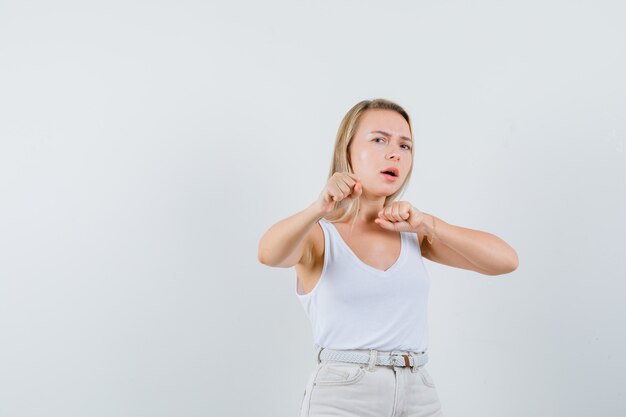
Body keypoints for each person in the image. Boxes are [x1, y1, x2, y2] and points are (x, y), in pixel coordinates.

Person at [258, 98, 519, 417]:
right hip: (344, 394)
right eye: (379, 140)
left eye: (405, 145)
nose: (395, 152)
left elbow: (506, 261)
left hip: (418, 391)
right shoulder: (319, 235)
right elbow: (269, 254)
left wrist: (429, 224)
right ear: (348, 150)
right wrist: (318, 208)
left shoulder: (413, 233)